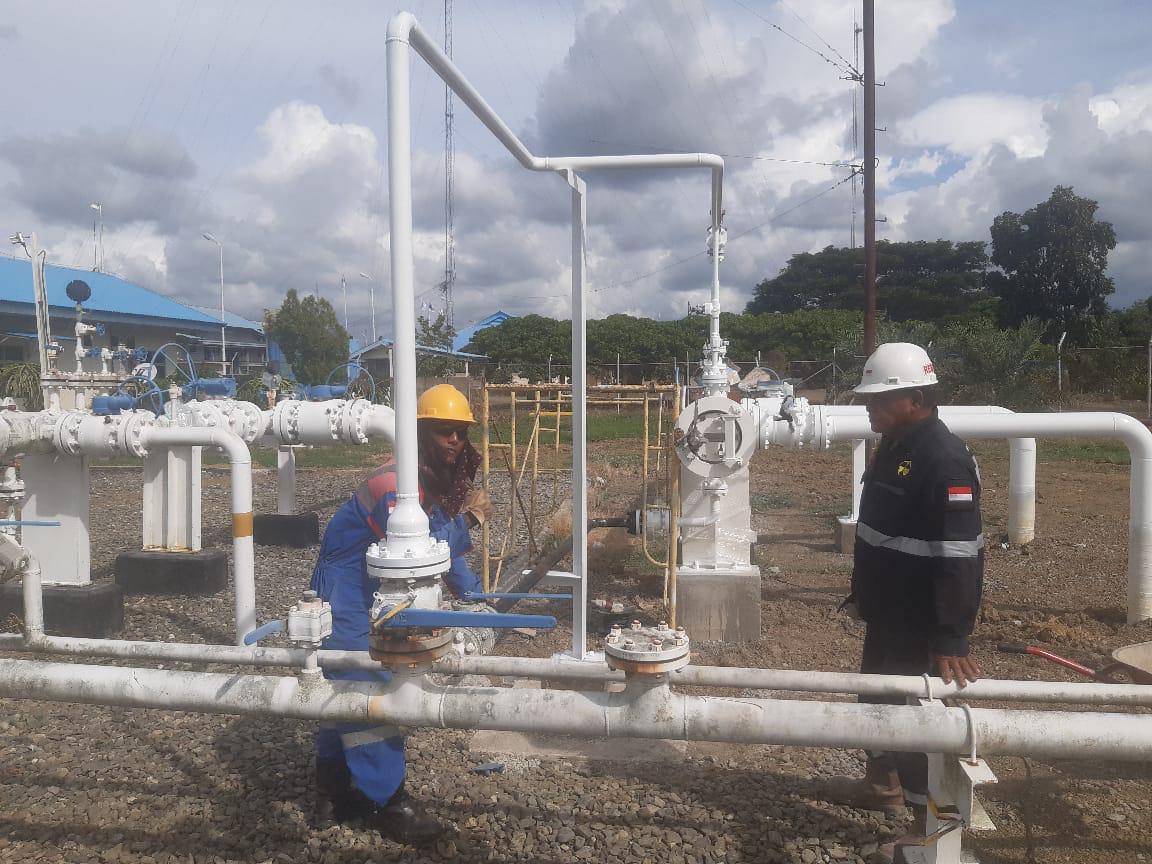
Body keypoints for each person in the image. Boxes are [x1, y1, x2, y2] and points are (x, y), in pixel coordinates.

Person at [310, 383, 493, 844]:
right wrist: (469, 521)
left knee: (339, 695)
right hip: (346, 594)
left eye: (460, 432)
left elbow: (440, 547)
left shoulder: (422, 486)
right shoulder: (393, 486)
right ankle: (391, 803)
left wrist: (474, 598)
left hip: (364, 590)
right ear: (419, 432)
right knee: (363, 689)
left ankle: (333, 793)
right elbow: (418, 550)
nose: (455, 440)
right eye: (444, 430)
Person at [821, 343, 984, 859]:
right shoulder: (895, 445)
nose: (869, 408)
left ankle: (925, 825)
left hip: (918, 620)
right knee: (874, 702)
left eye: (879, 400)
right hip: (887, 612)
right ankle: (882, 786)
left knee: (912, 721)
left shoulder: (944, 459)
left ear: (916, 399)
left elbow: (960, 555)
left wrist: (950, 636)